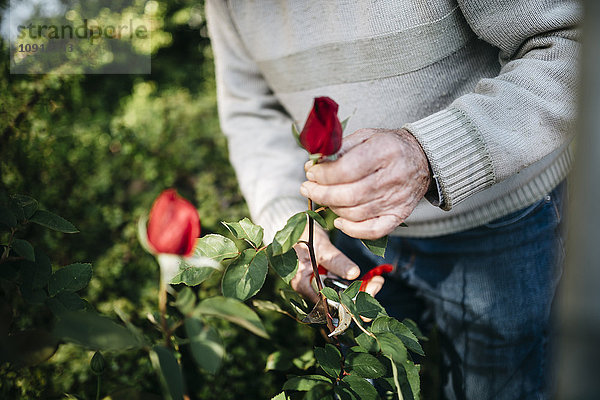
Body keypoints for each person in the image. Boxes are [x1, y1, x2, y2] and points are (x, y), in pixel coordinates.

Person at [205, 1, 580, 399]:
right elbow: (251, 111)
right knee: (369, 380)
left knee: (499, 386)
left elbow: (571, 44)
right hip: (349, 235)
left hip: (499, 220)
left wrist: (431, 153)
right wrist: (287, 218)